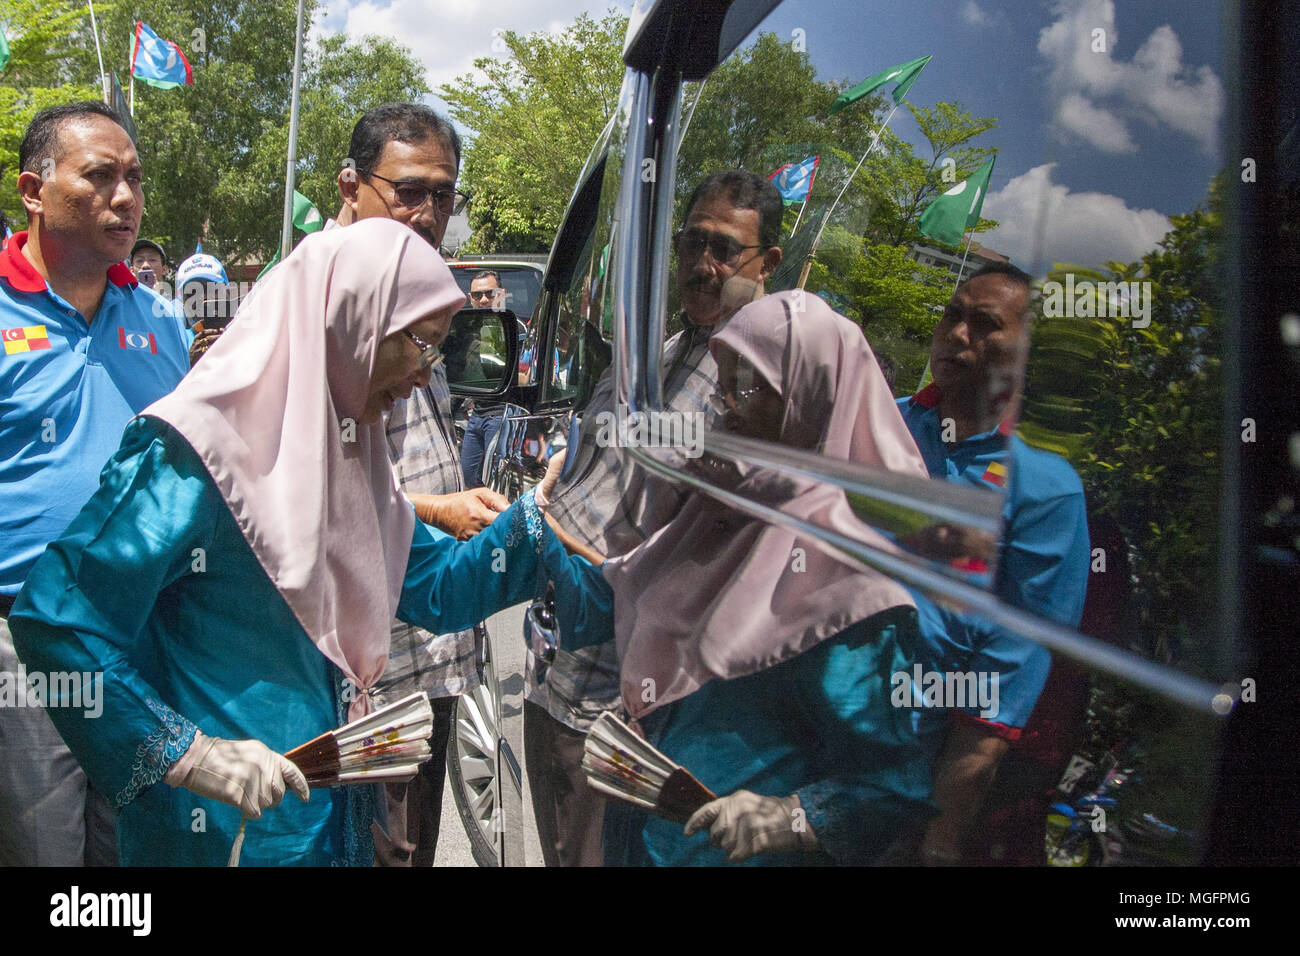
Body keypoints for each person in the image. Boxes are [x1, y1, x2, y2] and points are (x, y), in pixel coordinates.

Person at [8, 218, 563, 867]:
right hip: (220, 837)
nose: (425, 375)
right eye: (420, 342)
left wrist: (542, 523)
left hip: (329, 828)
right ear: (348, 320)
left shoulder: (350, 453)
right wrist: (186, 753)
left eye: (439, 350)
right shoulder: (197, 454)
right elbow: (57, 619)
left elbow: (435, 587)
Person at [543, 291, 936, 865]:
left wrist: (792, 816)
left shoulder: (850, 588)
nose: (725, 404)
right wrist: (532, 528)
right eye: (724, 382)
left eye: (748, 387)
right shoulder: (718, 514)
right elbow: (611, 598)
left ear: (807, 402)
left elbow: (895, 784)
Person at [526, 170, 784, 866]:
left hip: (625, 713)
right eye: (691, 242)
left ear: (770, 265)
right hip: (559, 673)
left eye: (725, 250)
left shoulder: (760, 392)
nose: (703, 265)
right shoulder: (658, 354)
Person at [0, 101, 189, 867]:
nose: (125, 196)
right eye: (101, 176)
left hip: (142, 636)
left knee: (137, 855)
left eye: (135, 178)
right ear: (33, 190)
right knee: (42, 856)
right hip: (23, 643)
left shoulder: (161, 319)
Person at [336, 103, 505, 867]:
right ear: (351, 184)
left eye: (445, 195)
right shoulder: (323, 299)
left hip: (428, 648)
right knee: (378, 846)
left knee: (414, 846)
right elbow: (304, 493)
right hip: (365, 660)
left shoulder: (417, 288)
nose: (429, 212)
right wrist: (441, 509)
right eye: (409, 190)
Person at [894, 262, 1090, 864]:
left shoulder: (1045, 492)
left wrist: (938, 842)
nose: (957, 335)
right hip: (784, 730)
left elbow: (996, 700)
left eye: (984, 324)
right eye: (953, 314)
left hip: (892, 781)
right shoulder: (884, 422)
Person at [459, 270, 508, 489]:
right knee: (467, 479)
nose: (484, 300)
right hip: (476, 414)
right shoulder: (464, 333)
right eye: (477, 296)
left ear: (502, 294)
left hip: (502, 414)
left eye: (490, 293)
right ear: (470, 299)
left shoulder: (516, 329)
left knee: (495, 484)